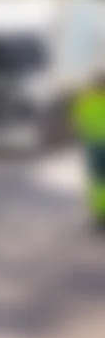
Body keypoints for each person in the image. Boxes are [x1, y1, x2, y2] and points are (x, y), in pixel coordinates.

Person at [73, 75, 105, 228]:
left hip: (93, 146)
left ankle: (99, 214)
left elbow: (78, 122)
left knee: (96, 181)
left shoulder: (86, 101)